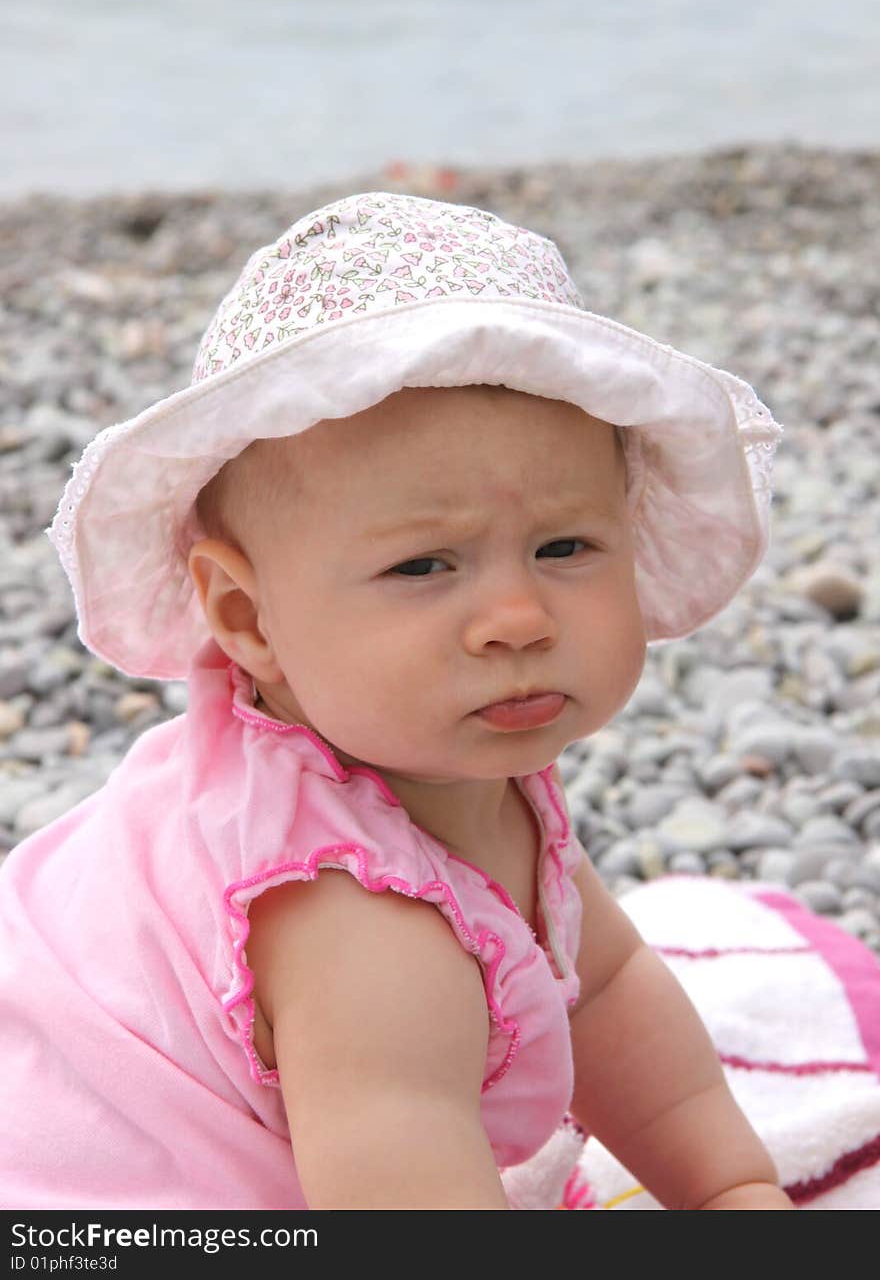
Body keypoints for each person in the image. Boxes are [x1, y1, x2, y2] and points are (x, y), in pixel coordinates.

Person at [0, 191, 795, 1209]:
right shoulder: (351, 918)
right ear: (247, 615)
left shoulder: (451, 761)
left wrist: (730, 1187)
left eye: (564, 547)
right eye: (424, 565)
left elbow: (603, 989)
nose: (515, 616)